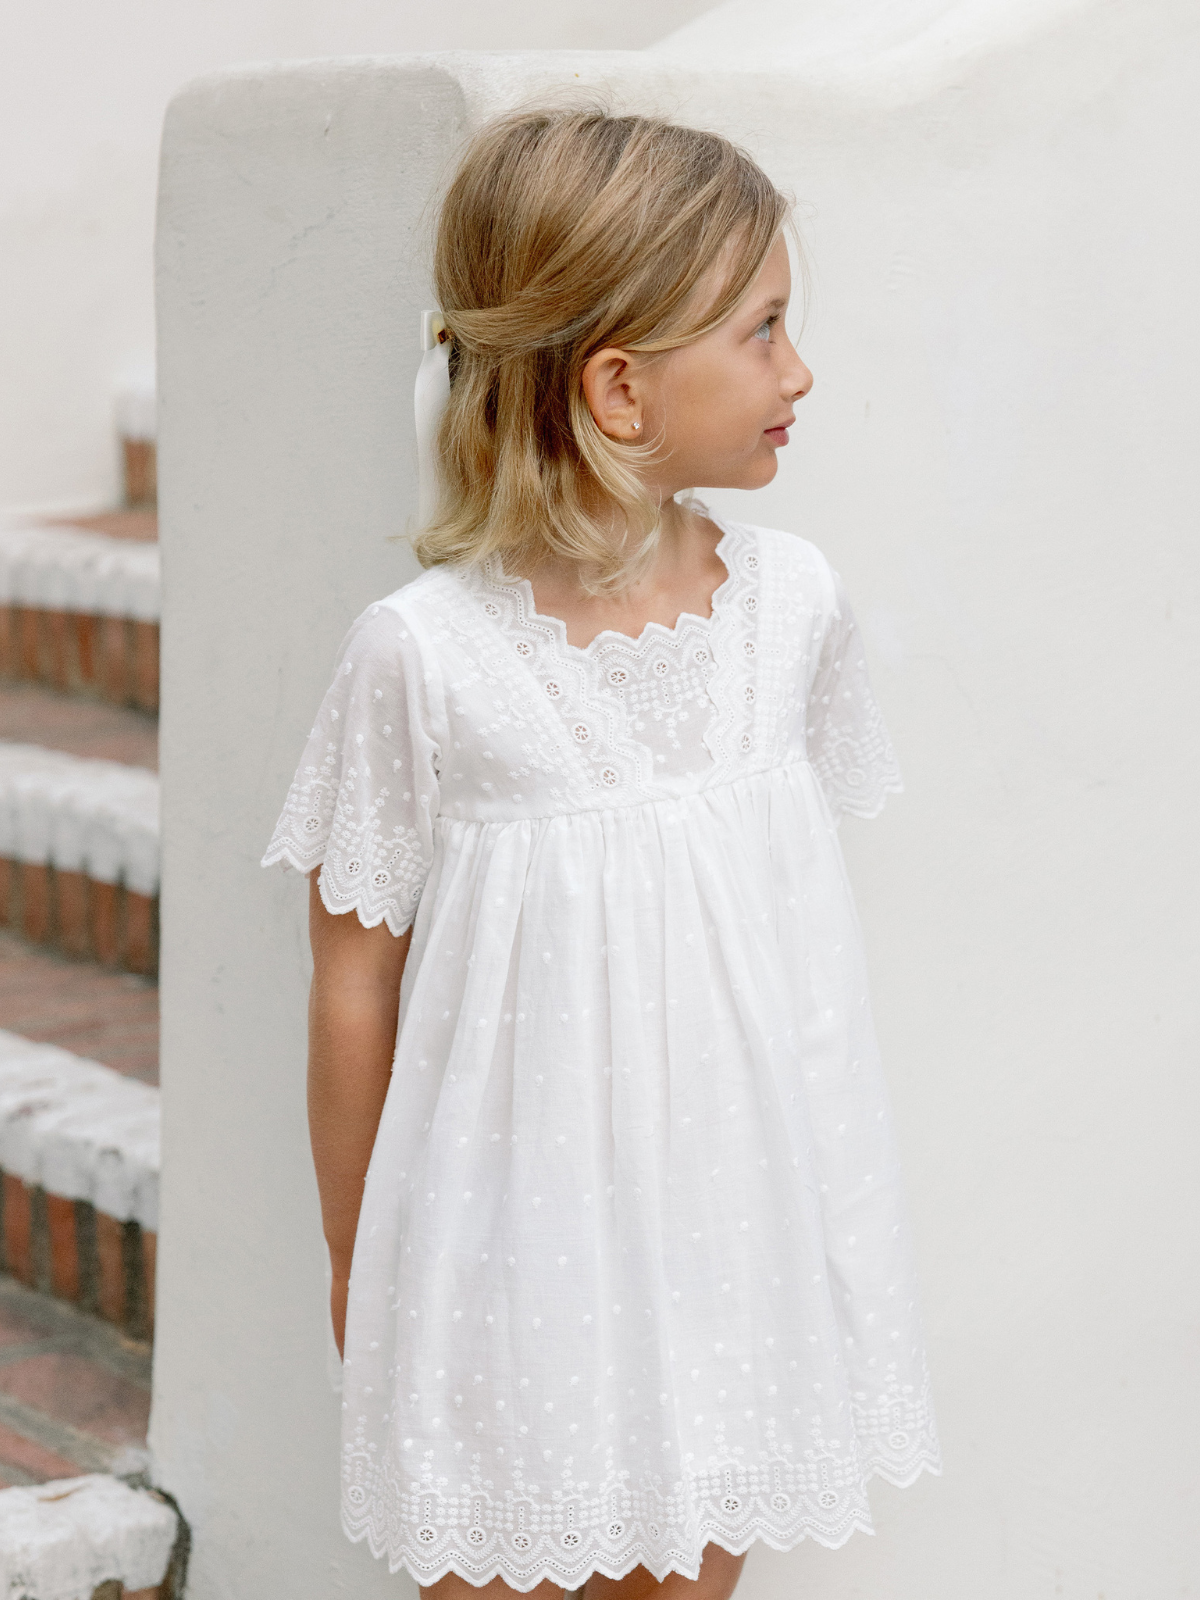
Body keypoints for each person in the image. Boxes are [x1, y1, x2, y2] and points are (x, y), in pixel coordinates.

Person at [263, 108, 942, 1600]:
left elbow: (784, 949)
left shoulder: (791, 611)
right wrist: (356, 1258)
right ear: (620, 388)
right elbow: (351, 980)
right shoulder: (422, 660)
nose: (800, 372)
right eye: (764, 330)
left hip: (733, 1247)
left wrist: (824, 1225)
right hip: (513, 1263)